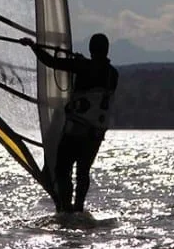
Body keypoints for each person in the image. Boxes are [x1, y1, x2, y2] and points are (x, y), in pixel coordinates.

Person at [20, 33, 119, 213]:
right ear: (106, 50)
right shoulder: (113, 74)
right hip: (95, 135)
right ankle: (79, 207)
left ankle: (65, 207)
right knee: (83, 171)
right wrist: (81, 62)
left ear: (91, 49)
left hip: (75, 131)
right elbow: (96, 72)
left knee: (62, 169)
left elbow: (51, 62)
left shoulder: (83, 66)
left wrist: (34, 46)